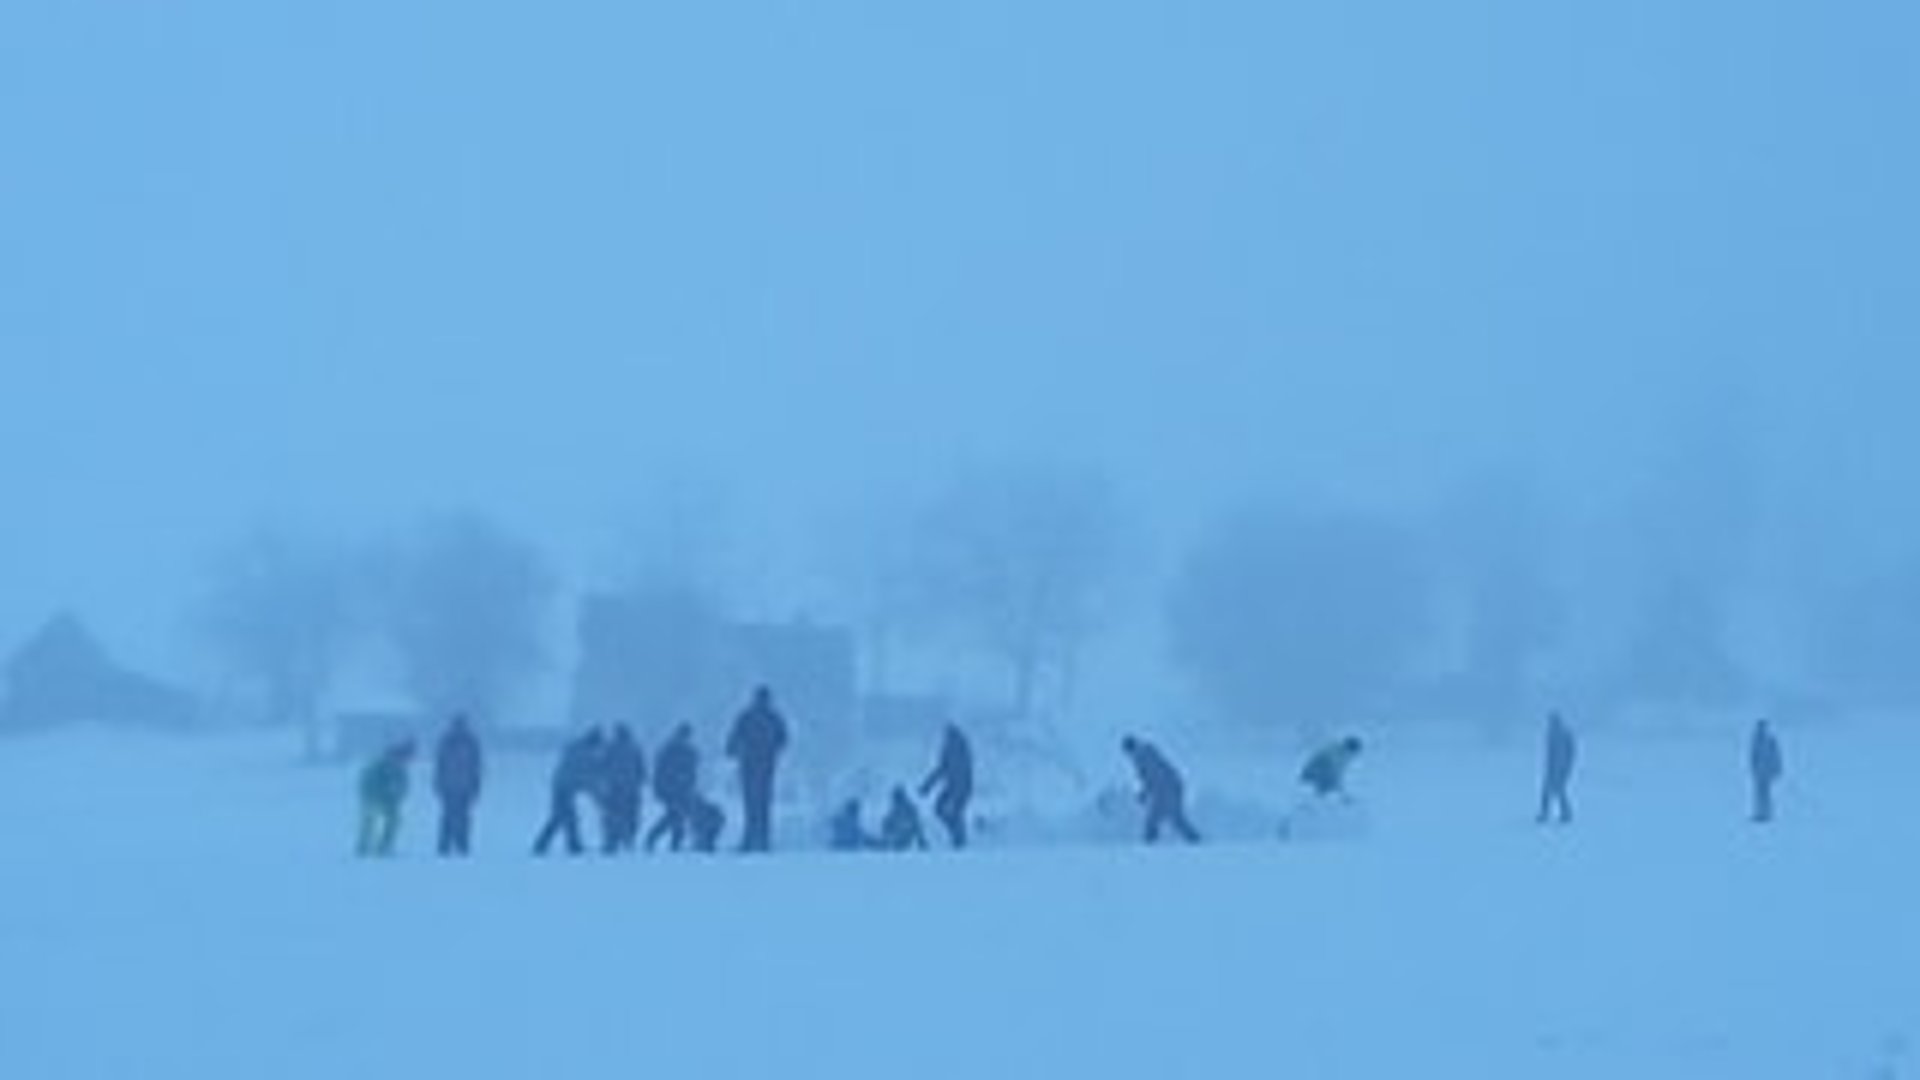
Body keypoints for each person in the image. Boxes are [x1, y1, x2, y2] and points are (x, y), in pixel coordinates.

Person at [725, 686, 790, 853]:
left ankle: (749, 840)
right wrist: (772, 751)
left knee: (751, 804)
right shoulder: (774, 717)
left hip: (749, 766)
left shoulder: (746, 716)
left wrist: (736, 751)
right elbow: (784, 740)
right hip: (766, 766)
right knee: (763, 804)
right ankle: (763, 840)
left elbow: (732, 740)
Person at [534, 728, 605, 857]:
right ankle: (546, 845)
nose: (598, 750)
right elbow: (587, 779)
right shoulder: (584, 754)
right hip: (564, 787)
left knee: (565, 816)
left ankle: (569, 844)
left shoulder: (577, 748)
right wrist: (598, 799)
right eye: (598, 746)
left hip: (561, 784)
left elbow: (584, 778)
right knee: (561, 817)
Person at [1120, 735, 1201, 844]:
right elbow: (1150, 779)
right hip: (1170, 787)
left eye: (1127, 752)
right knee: (1172, 819)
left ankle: (1149, 847)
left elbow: (1155, 777)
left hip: (1168, 789)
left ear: (1131, 748)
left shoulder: (1143, 757)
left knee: (1159, 819)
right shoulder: (1144, 755)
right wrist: (1145, 792)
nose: (1128, 756)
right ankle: (1195, 840)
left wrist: (1146, 793)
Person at [432, 715, 484, 856]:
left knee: (465, 817)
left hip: (466, 786)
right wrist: (437, 783)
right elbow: (439, 765)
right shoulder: (446, 742)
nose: (459, 728)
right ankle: (444, 845)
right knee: (448, 816)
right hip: (448, 786)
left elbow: (476, 766)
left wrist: (476, 785)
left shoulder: (472, 742)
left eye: (461, 725)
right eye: (457, 725)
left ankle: (462, 844)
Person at [357, 739, 416, 858]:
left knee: (393, 821)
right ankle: (363, 847)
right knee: (370, 822)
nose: (405, 762)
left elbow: (404, 786)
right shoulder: (377, 767)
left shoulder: (400, 769)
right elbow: (368, 784)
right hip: (373, 797)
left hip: (389, 800)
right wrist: (377, 796)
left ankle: (384, 847)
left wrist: (399, 796)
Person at [919, 724, 975, 849]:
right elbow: (941, 769)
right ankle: (958, 838)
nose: (944, 738)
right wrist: (927, 786)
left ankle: (959, 841)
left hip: (961, 787)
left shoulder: (959, 750)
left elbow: (959, 772)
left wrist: (956, 793)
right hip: (953, 786)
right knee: (940, 809)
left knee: (955, 812)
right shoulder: (950, 749)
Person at [646, 724, 701, 853]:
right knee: (675, 816)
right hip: (673, 790)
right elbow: (663, 772)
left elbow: (691, 772)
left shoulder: (679, 749)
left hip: (680, 790)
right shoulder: (672, 750)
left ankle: (668, 842)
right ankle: (659, 839)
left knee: (676, 816)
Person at [597, 724, 647, 854]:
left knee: (612, 815)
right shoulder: (635, 748)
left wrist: (603, 783)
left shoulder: (609, 748)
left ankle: (611, 841)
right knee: (631, 815)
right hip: (631, 788)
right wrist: (641, 781)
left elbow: (602, 767)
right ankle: (628, 839)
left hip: (614, 788)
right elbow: (641, 768)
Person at [1537, 713, 1577, 825]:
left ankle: (1564, 813)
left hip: (1560, 768)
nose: (1549, 724)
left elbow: (1569, 753)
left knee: (1557, 790)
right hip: (1552, 767)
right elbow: (1549, 753)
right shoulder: (1551, 734)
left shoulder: (1563, 734)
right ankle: (1549, 812)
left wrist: (1565, 768)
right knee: (1551, 791)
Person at [1749, 719, 1783, 823]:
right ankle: (1760, 813)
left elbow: (1776, 755)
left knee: (1765, 794)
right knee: (1759, 793)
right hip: (1759, 771)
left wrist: (1777, 769)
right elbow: (1753, 756)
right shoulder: (1756, 740)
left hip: (1767, 771)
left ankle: (1766, 813)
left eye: (1762, 727)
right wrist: (1753, 768)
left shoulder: (1770, 740)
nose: (1761, 730)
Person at [879, 786, 928, 851]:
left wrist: (921, 840)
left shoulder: (910, 809)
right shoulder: (894, 810)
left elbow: (917, 825)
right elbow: (886, 824)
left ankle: (890, 842)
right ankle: (888, 842)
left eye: (896, 797)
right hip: (896, 838)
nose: (894, 800)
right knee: (886, 822)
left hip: (905, 838)